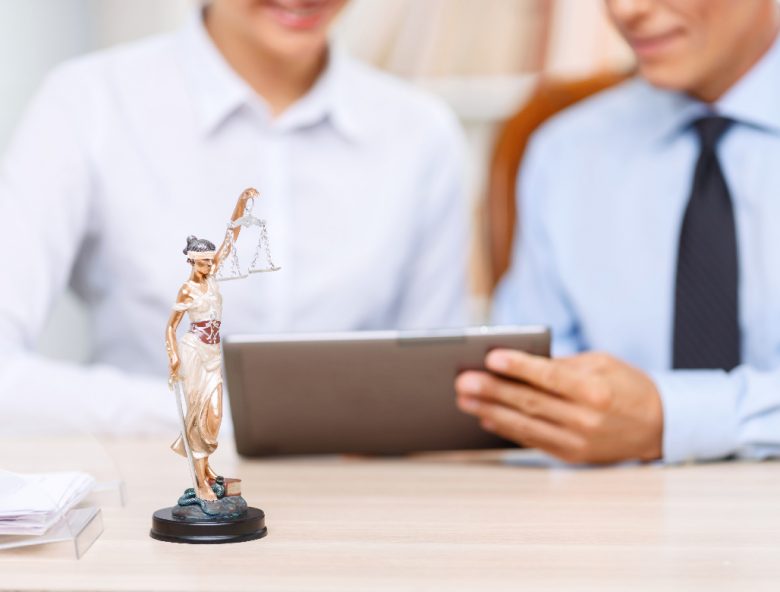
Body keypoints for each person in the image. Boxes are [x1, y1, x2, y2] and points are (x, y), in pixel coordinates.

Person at [0, 0, 467, 434]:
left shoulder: (422, 133)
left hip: (363, 484)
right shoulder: (90, 104)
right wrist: (223, 416)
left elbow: (438, 392)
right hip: (154, 473)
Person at [455, 0, 780, 464]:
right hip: (610, 503)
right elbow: (525, 394)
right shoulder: (565, 153)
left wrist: (671, 419)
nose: (627, 10)